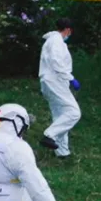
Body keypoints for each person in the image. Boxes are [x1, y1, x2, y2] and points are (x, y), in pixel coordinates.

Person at [38, 18, 81, 157]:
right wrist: (71, 78)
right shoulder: (56, 41)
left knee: (60, 116)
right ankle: (49, 135)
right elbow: (56, 62)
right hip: (54, 81)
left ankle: (62, 152)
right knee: (74, 113)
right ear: (68, 30)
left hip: (50, 81)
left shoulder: (52, 41)